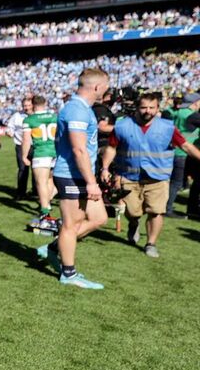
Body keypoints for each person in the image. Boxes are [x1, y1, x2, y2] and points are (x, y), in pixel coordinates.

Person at [36, 68, 111, 290]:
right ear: (97, 87)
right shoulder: (77, 110)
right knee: (71, 225)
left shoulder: (81, 108)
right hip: (72, 175)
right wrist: (91, 182)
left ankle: (52, 248)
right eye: (106, 86)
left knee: (99, 218)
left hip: (78, 174)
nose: (108, 90)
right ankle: (68, 273)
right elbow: (79, 150)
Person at [102, 92, 200, 257]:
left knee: (156, 211)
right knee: (133, 212)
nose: (147, 111)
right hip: (130, 178)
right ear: (137, 108)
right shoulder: (122, 126)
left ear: (157, 108)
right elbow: (111, 147)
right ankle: (134, 224)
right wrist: (105, 167)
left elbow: (185, 146)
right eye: (143, 107)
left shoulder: (168, 127)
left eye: (151, 107)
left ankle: (151, 243)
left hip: (158, 179)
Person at [23, 95, 59, 226]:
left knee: (41, 182)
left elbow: (27, 140)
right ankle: (47, 204)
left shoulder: (29, 120)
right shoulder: (54, 116)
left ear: (32, 104)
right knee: (50, 180)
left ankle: (44, 211)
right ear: (46, 103)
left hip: (41, 152)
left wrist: (24, 155)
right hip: (55, 151)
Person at [166, 93, 199, 217]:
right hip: (184, 152)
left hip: (175, 149)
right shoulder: (192, 115)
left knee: (176, 181)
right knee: (177, 183)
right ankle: (167, 209)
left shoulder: (178, 112)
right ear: (195, 102)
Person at [8, 96, 33, 197]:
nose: (26, 107)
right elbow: (10, 127)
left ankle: (36, 191)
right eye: (24, 105)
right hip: (21, 145)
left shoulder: (36, 116)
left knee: (36, 169)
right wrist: (9, 132)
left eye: (28, 105)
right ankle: (21, 192)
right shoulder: (17, 116)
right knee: (23, 169)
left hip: (35, 146)